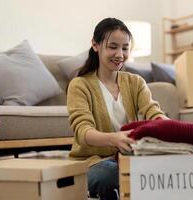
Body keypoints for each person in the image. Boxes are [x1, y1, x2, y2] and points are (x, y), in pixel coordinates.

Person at [67, 17, 167, 200]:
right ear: (95, 45)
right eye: (113, 47)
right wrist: (114, 139)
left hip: (129, 157)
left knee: (152, 166)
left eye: (125, 48)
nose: (120, 54)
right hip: (93, 162)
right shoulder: (79, 85)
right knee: (112, 173)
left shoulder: (135, 83)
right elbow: (83, 132)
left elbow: (153, 112)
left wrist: (170, 129)